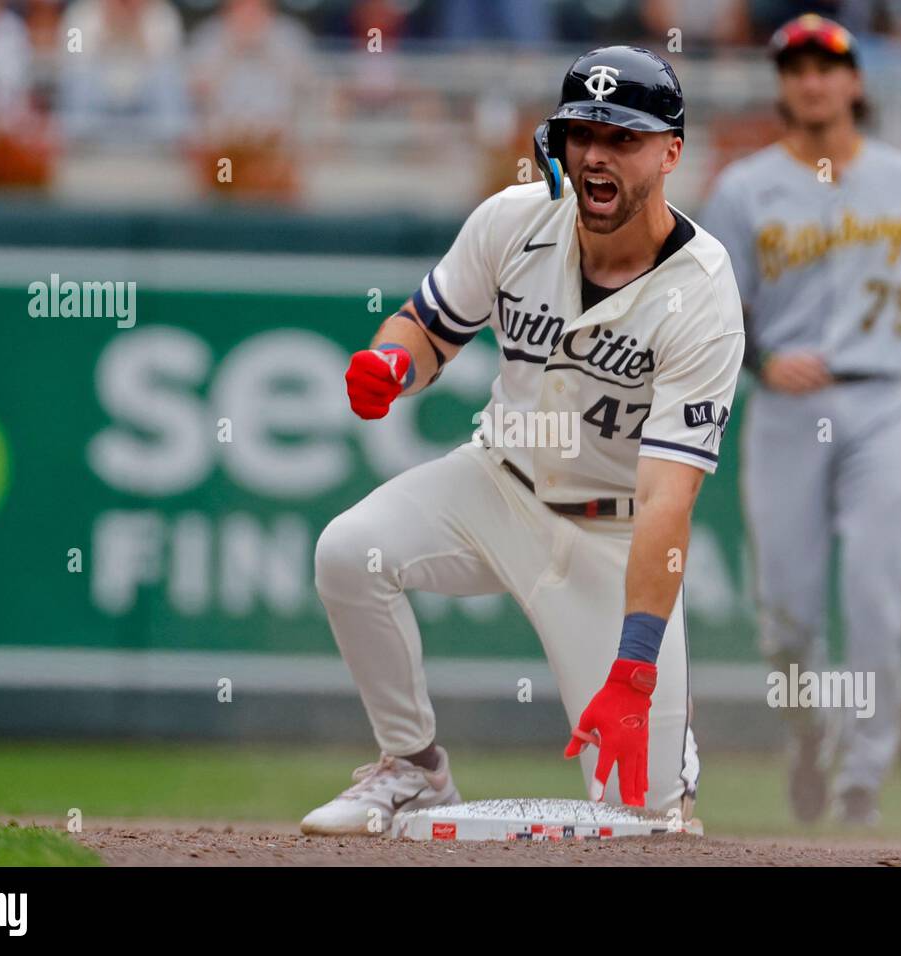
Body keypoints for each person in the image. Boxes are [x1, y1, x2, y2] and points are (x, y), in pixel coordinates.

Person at [302, 46, 745, 835]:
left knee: (647, 823)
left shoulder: (703, 293)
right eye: (582, 133)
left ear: (672, 151)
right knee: (348, 551)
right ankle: (413, 768)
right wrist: (393, 361)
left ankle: (674, 772)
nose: (597, 155)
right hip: (497, 482)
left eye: (624, 138)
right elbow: (428, 327)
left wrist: (634, 669)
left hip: (615, 532)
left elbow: (667, 499)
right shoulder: (515, 218)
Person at [700, 14, 901, 826]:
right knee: (786, 618)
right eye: (797, 67)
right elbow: (710, 305)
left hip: (881, 400)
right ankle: (811, 734)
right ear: (782, 84)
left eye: (827, 66)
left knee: (875, 595)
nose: (813, 80)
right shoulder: (743, 188)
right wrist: (762, 359)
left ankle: (864, 774)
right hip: (788, 407)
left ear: (856, 81)